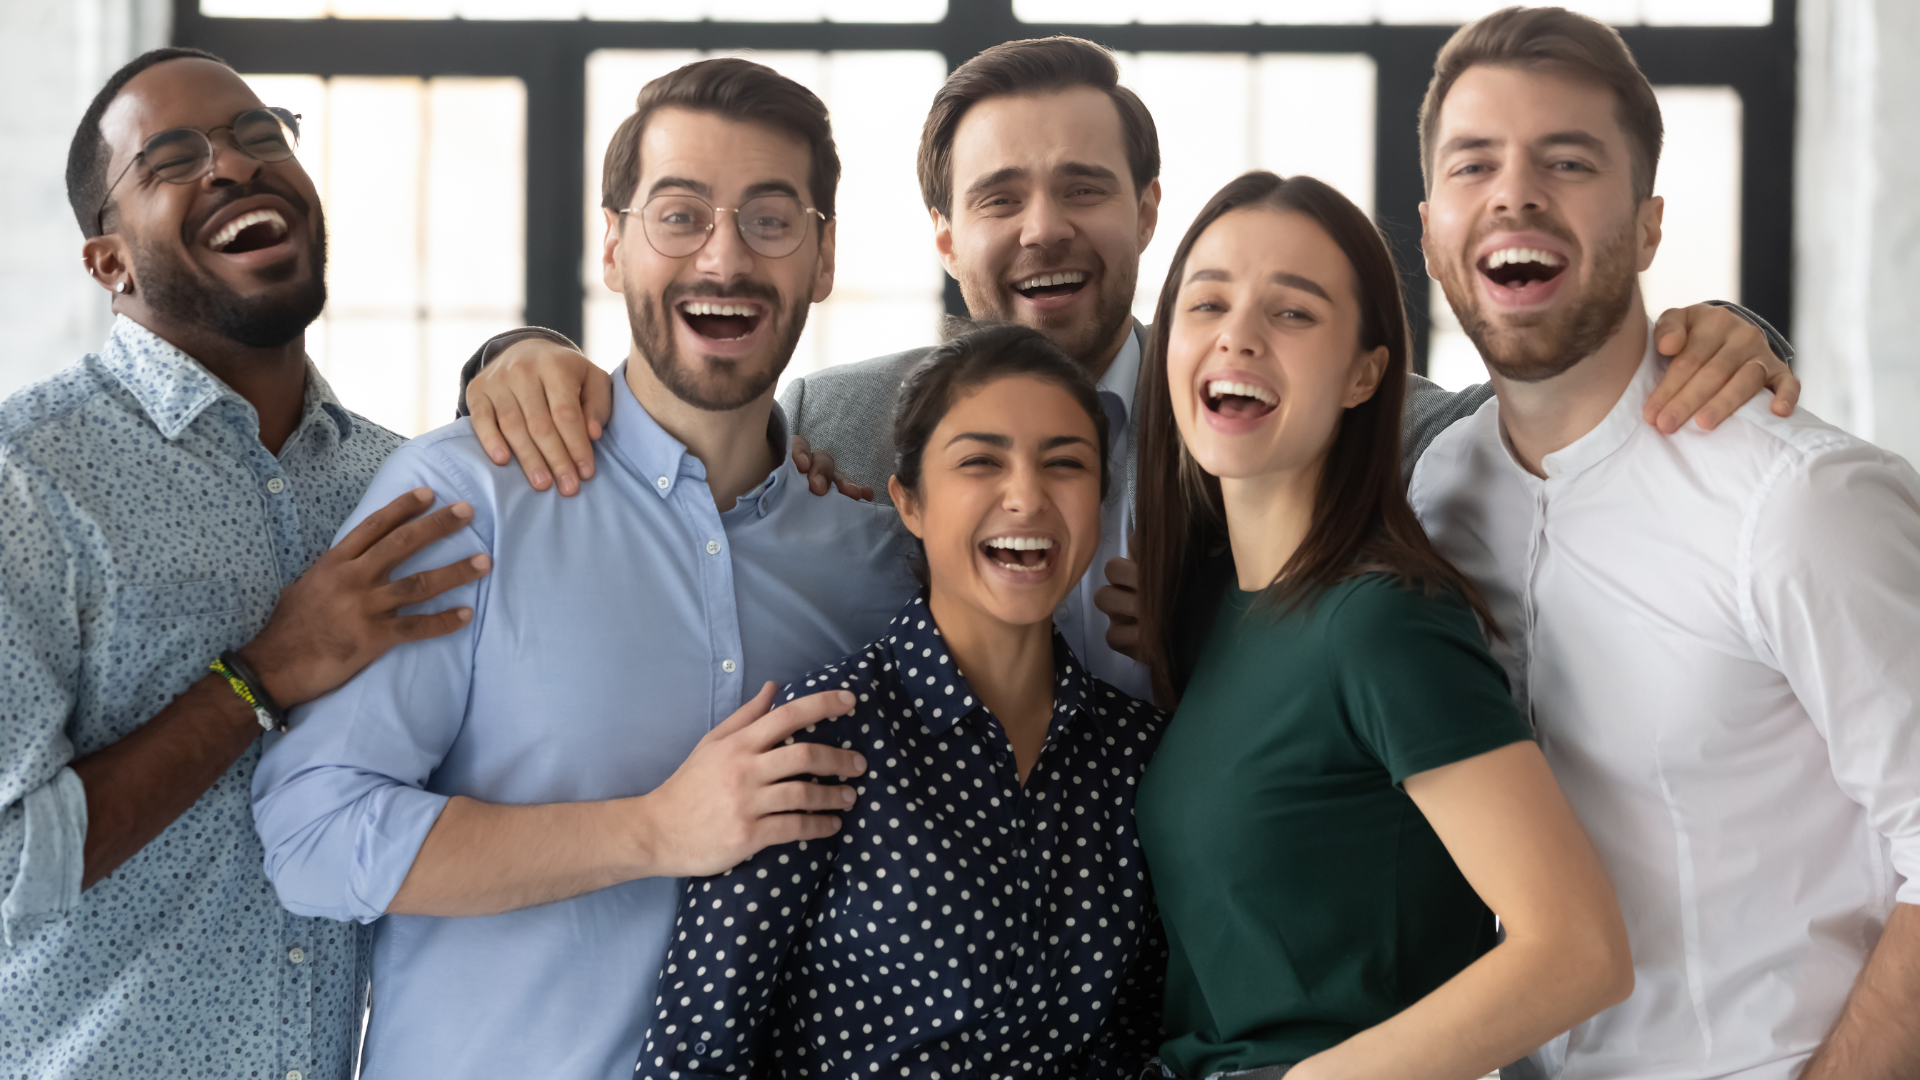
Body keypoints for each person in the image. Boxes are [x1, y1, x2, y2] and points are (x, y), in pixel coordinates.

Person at [454, 35, 1799, 706]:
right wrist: (514, 355)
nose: (1044, 227)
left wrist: (1730, 329)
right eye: (1002, 198)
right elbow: (672, 456)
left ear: (1150, 210)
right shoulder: (835, 419)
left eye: (1085, 187)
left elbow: (1516, 409)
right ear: (945, 235)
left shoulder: (1278, 398)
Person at [250, 58, 921, 1080]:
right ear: (612, 246)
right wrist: (654, 831)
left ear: (824, 257)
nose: (724, 257)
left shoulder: (873, 560)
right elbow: (313, 835)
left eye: (772, 219)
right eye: (680, 214)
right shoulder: (467, 496)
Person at [1404, 9, 1920, 1079]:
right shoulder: (1430, 489)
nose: (1515, 193)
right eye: (1475, 163)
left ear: (1646, 227)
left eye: (1568, 159)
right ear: (1429, 227)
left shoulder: (1800, 503)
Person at [0, 48, 488, 1080]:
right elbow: (13, 864)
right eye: (173, 158)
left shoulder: (398, 484)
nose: (233, 166)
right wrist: (258, 677)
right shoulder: (27, 479)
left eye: (261, 134)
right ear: (109, 264)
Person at [1126, 170, 1629, 1080]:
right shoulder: (1204, 604)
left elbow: (1578, 950)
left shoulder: (1382, 622)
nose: (1237, 334)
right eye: (1207, 303)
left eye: (1294, 314)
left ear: (1365, 373)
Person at [636, 324, 1167, 1080]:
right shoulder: (814, 742)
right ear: (908, 502)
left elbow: (1148, 1039)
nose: (1027, 496)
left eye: (1066, 464)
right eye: (981, 462)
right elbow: (692, 1057)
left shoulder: (1140, 756)